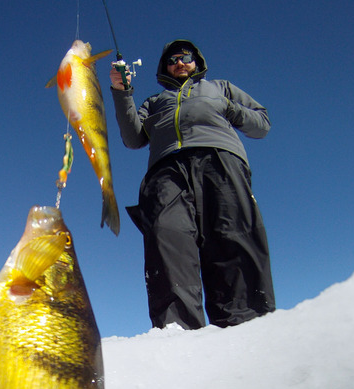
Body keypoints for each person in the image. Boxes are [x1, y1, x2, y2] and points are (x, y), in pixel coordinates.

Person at [110, 39, 276, 329]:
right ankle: (177, 334)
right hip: (166, 171)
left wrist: (227, 107)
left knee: (232, 235)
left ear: (197, 61)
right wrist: (122, 93)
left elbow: (261, 125)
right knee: (167, 236)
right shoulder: (154, 101)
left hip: (221, 162)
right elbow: (133, 138)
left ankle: (247, 326)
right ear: (165, 69)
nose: (179, 62)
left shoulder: (221, 88)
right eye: (172, 60)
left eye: (185, 57)